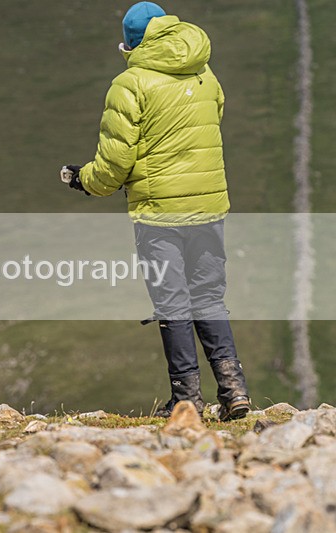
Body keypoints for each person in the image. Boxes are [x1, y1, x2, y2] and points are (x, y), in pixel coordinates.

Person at [62, 2, 250, 421]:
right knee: (209, 297)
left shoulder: (130, 84)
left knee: (173, 302)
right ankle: (234, 390)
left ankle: (187, 399)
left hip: (159, 211)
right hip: (208, 205)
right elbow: (212, 120)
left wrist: (83, 180)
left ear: (131, 44)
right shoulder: (205, 73)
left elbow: (114, 164)